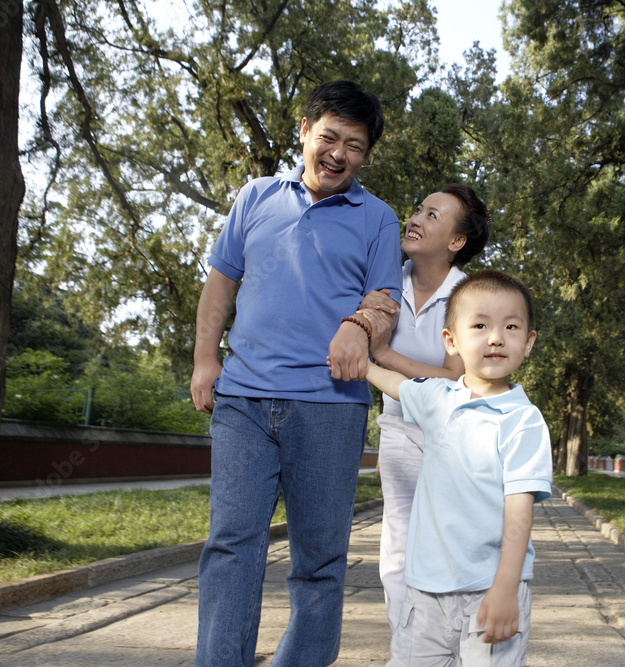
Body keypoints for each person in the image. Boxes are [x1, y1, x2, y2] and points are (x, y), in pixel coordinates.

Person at [189, 80, 403, 667]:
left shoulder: (378, 218)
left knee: (320, 558)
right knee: (231, 545)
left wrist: (358, 325)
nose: (338, 153)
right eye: (329, 137)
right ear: (304, 132)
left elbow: (386, 302)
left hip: (331, 407)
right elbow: (220, 284)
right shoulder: (254, 197)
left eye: (355, 146)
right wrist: (205, 359)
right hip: (244, 401)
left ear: (366, 155)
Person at [363, 270, 552, 665]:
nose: (496, 337)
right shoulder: (438, 398)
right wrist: (359, 361)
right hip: (424, 591)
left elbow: (520, 512)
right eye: (480, 325)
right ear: (451, 340)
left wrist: (505, 587)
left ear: (529, 342)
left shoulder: (524, 421)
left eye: (511, 326)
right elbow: (392, 383)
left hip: (490, 590)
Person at [356, 183, 490, 631]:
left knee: (449, 548)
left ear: (456, 242)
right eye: (418, 210)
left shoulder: (469, 298)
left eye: (433, 216)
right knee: (396, 554)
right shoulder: (385, 281)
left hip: (453, 436)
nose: (415, 219)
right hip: (397, 428)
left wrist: (386, 356)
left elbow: (457, 378)